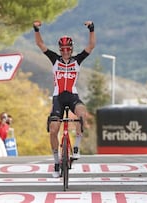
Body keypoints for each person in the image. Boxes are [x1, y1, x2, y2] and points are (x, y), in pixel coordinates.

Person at [33, 20, 96, 177]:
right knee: (54, 129)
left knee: (82, 113)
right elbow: (40, 44)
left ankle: (76, 147)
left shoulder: (77, 60)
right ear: (60, 50)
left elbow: (91, 46)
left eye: (68, 49)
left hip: (72, 96)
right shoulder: (55, 59)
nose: (66, 52)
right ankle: (56, 162)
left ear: (71, 49)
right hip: (58, 98)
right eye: (63, 49)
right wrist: (36, 29)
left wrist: (91, 29)